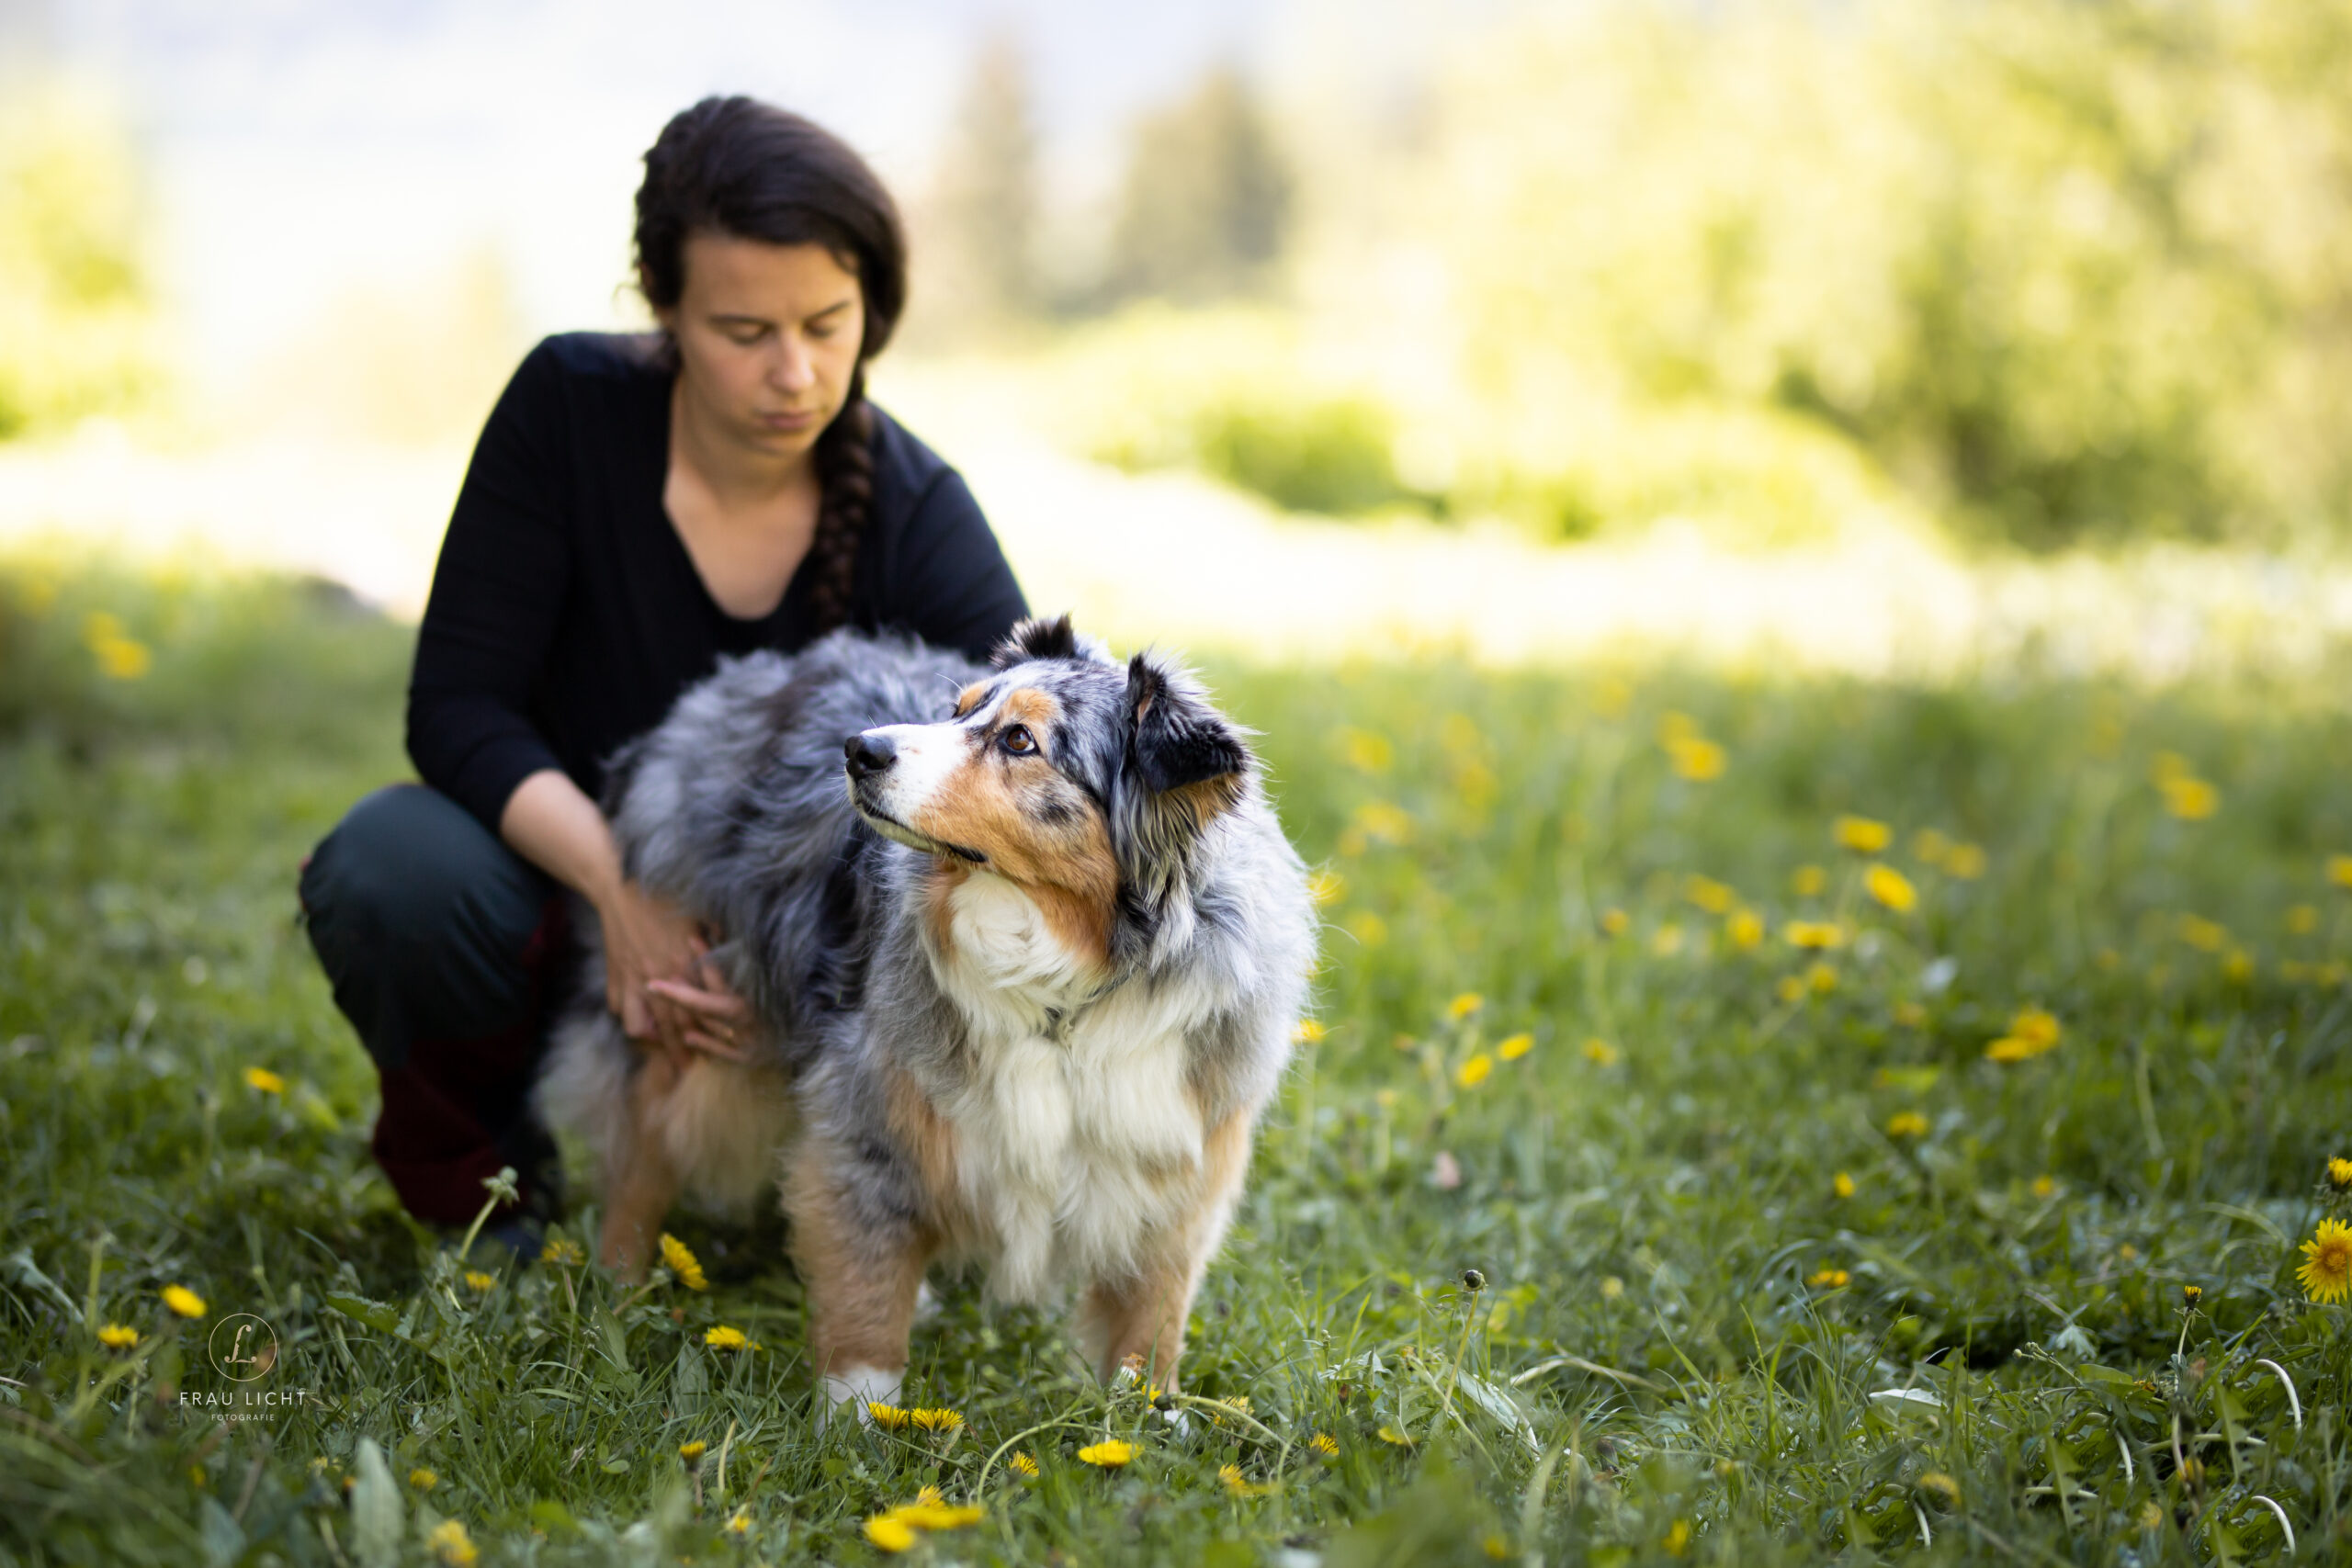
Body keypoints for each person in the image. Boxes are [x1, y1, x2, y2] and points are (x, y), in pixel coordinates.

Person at [298, 96, 1029, 1254]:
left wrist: (795, 969)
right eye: (745, 331)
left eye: (827, 324)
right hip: (560, 895)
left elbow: (1018, 763)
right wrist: (620, 890)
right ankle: (491, 1193)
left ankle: (854, 1189)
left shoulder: (915, 504)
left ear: (871, 312)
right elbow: (456, 708)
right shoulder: (566, 414)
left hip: (796, 950)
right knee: (394, 871)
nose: (795, 372)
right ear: (665, 312)